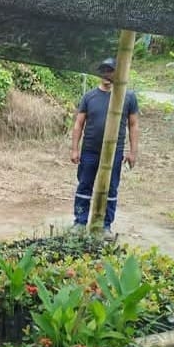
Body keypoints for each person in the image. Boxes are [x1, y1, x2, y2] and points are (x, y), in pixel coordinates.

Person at [71, 57, 140, 238]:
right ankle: (79, 223)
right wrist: (75, 149)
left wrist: (133, 152)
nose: (106, 74)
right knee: (84, 186)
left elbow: (133, 125)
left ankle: (105, 226)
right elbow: (78, 124)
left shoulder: (128, 97)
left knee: (111, 189)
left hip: (114, 153)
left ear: (118, 73)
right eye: (104, 70)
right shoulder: (89, 97)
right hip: (90, 151)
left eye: (110, 70)